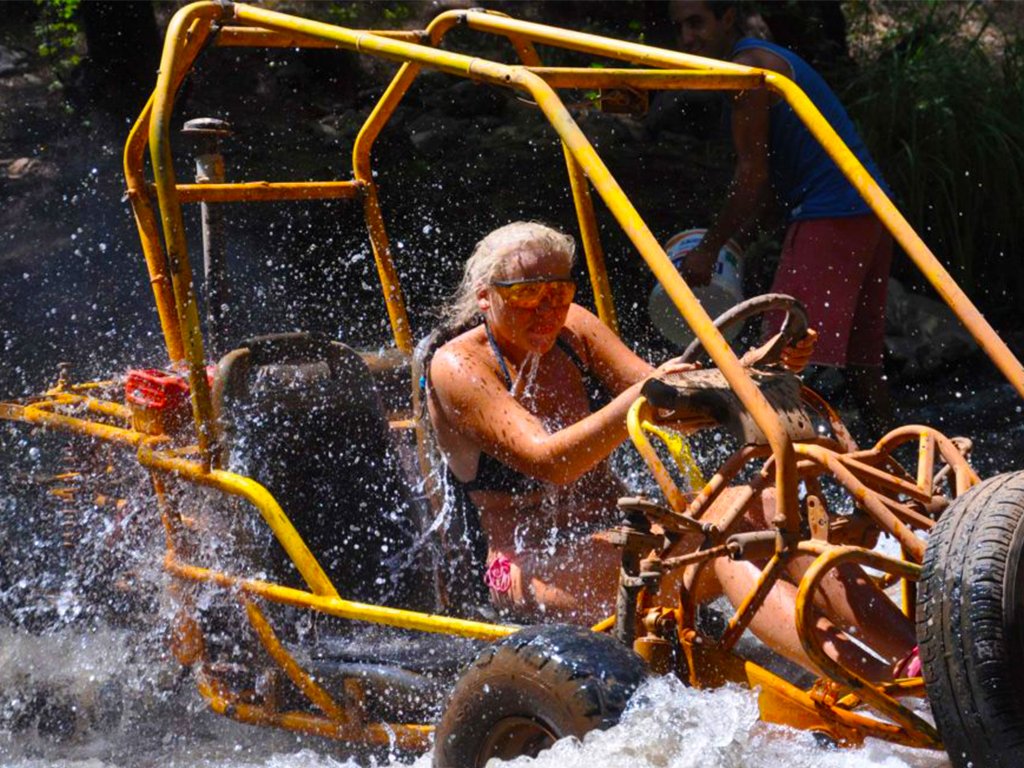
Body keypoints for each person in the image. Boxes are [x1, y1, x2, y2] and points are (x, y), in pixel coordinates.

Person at [426, 221, 916, 682]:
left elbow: (673, 402)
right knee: (725, 546)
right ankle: (876, 684)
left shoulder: (574, 329)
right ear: (485, 299)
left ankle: (914, 658)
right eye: (527, 294)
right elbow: (552, 461)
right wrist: (637, 401)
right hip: (529, 565)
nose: (547, 309)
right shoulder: (457, 366)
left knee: (767, 507)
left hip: (617, 538)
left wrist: (754, 368)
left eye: (558, 292)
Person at [670, 0, 895, 438]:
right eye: (679, 28)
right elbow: (773, 180)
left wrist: (709, 249)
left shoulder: (747, 71)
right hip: (871, 212)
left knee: (780, 356)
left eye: (697, 23)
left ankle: (785, 485)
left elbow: (751, 175)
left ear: (727, 17)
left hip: (831, 213)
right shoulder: (768, 59)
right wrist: (741, 239)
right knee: (862, 363)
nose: (687, 39)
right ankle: (899, 480)